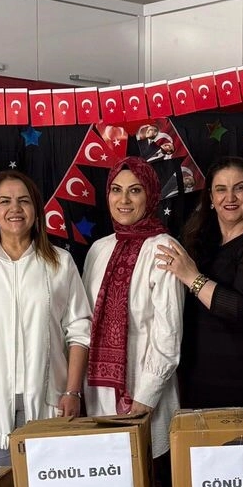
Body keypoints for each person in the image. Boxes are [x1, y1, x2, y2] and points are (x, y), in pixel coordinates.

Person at [0, 171, 91, 466]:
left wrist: (73, 391)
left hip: (49, 403)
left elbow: (79, 332)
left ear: (36, 211)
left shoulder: (60, 263)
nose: (15, 208)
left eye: (24, 201)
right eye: (5, 201)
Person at [158, 157, 243, 408]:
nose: (230, 197)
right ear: (211, 198)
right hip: (198, 381)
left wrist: (192, 277)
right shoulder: (202, 242)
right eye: (221, 189)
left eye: (239, 188)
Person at [83, 157, 184, 458]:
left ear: (150, 195)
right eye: (116, 190)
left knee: (148, 475)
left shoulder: (163, 248)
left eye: (135, 190)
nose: (124, 200)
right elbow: (86, 321)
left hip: (146, 393)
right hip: (99, 395)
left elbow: (169, 333)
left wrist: (146, 397)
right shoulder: (98, 249)